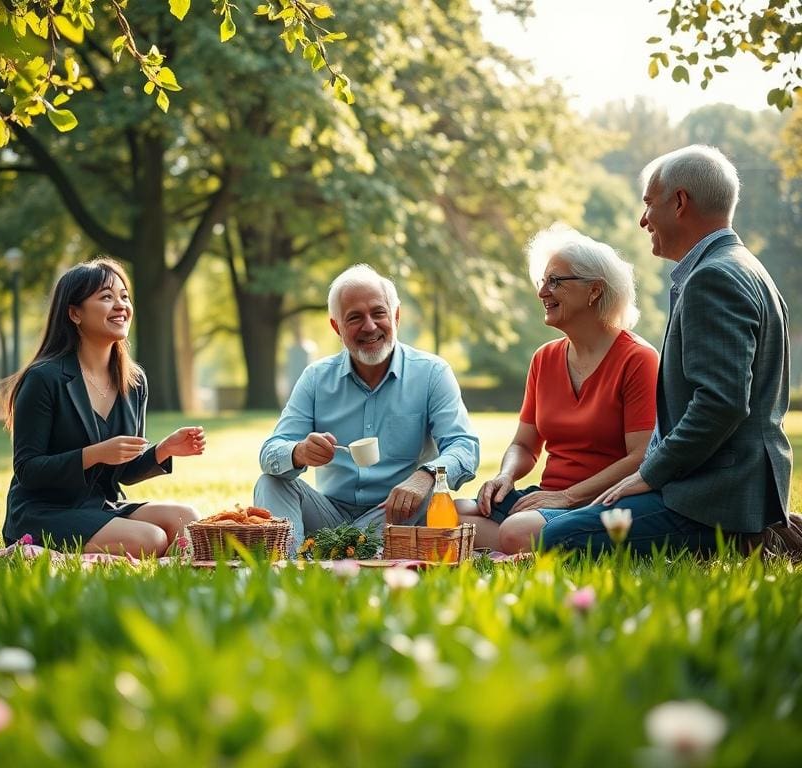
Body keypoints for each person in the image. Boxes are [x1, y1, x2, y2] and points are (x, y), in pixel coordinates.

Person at [521, 144, 792, 554]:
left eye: (649, 204)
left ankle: (760, 538)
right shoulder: (746, 267)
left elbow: (721, 402)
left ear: (679, 202)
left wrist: (649, 474)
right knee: (560, 520)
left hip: (714, 500)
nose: (643, 219)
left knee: (557, 538)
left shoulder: (713, 278)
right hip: (726, 490)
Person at [455, 226, 659, 552]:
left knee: (515, 530)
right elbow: (524, 444)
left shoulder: (638, 359)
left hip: (600, 503)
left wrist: (565, 497)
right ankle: (519, 547)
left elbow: (641, 457)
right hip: (545, 499)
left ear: (594, 291)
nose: (542, 292)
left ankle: (515, 545)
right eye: (543, 281)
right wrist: (506, 477)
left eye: (555, 282)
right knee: (448, 515)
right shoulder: (544, 359)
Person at [254, 264, 480, 555]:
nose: (370, 326)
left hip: (394, 514)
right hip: (328, 514)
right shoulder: (315, 378)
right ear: (336, 327)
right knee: (270, 482)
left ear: (395, 316)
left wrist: (425, 476)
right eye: (355, 318)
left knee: (430, 491)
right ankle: (290, 568)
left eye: (379, 313)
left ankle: (337, 554)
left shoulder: (432, 373)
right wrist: (298, 452)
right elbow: (271, 451)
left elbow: (464, 447)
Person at [0, 258, 206, 557]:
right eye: (106, 297)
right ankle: (34, 550)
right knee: (151, 539)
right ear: (74, 313)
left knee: (189, 519)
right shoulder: (44, 378)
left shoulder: (134, 381)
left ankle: (172, 576)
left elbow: (123, 472)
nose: (121, 305)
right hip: (43, 512)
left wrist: (164, 449)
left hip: (100, 506)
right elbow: (28, 470)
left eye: (124, 296)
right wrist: (93, 454)